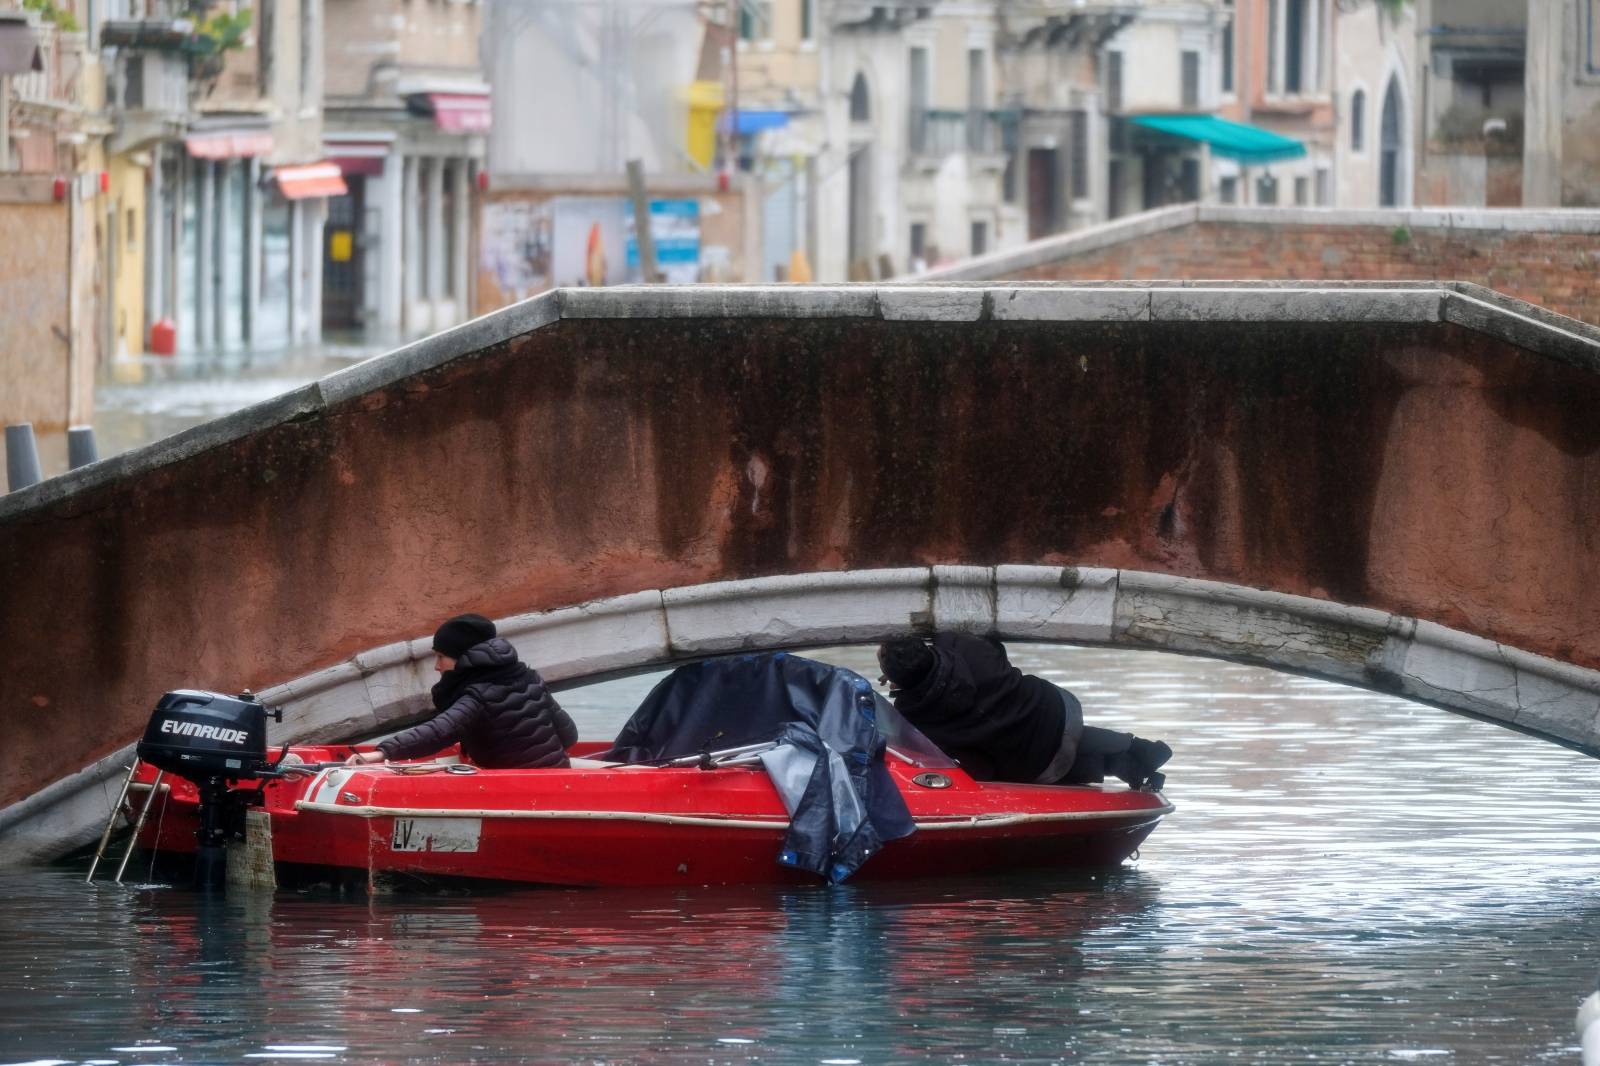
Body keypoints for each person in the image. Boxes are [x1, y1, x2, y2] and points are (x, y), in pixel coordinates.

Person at [876, 633, 1170, 791]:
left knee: (1042, 755)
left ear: (897, 680)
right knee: (1052, 732)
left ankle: (1130, 764)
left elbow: (979, 767)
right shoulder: (960, 645)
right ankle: (1139, 751)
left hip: (1036, 762)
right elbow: (996, 651)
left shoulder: (912, 717)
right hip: (1055, 707)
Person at [346, 613, 577, 769]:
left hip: (519, 794)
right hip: (557, 779)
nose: (437, 666)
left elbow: (438, 731)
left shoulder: (478, 696)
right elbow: (569, 736)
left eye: (440, 656)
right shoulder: (529, 677)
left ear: (463, 658)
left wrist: (382, 753)